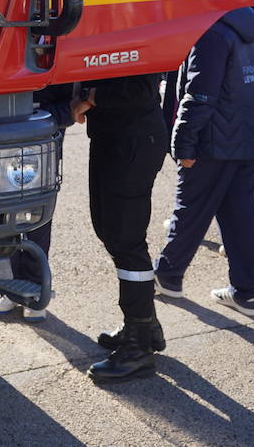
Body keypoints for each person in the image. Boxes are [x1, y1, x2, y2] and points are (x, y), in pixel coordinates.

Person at [153, 7, 254, 318]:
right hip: (244, 137)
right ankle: (245, 292)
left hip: (212, 141)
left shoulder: (211, 32)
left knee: (189, 209)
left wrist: (182, 143)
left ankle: (168, 273)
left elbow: (200, 95)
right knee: (240, 219)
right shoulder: (246, 26)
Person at [78, 75, 172, 383]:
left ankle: (138, 347)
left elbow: (138, 90)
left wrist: (89, 95)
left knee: (126, 239)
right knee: (110, 231)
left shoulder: (137, 29)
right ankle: (146, 325)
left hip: (133, 139)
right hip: (112, 135)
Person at [0, 83, 75, 323]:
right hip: (0, 114)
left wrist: (73, 109)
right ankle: (3, 282)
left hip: (44, 118)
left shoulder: (54, 44)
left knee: (37, 207)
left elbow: (72, 99)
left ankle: (34, 285)